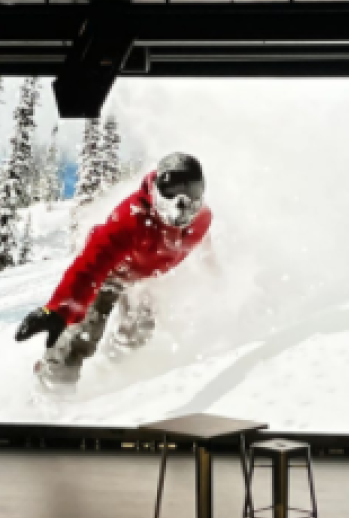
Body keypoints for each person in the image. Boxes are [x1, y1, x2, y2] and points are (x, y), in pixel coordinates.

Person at [15, 152, 211, 391]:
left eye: (192, 191)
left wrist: (216, 274)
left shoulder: (201, 220)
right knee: (85, 330)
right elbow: (92, 263)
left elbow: (205, 248)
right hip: (112, 272)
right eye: (171, 190)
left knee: (138, 331)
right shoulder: (132, 218)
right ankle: (52, 385)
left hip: (145, 279)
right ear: (156, 188)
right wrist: (59, 310)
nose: (181, 203)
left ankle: (111, 374)